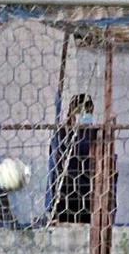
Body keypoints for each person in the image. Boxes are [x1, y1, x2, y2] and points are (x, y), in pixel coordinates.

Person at [48, 94, 112, 224]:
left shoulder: (61, 134)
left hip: (65, 201)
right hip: (89, 201)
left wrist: (50, 207)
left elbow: (52, 173)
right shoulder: (96, 134)